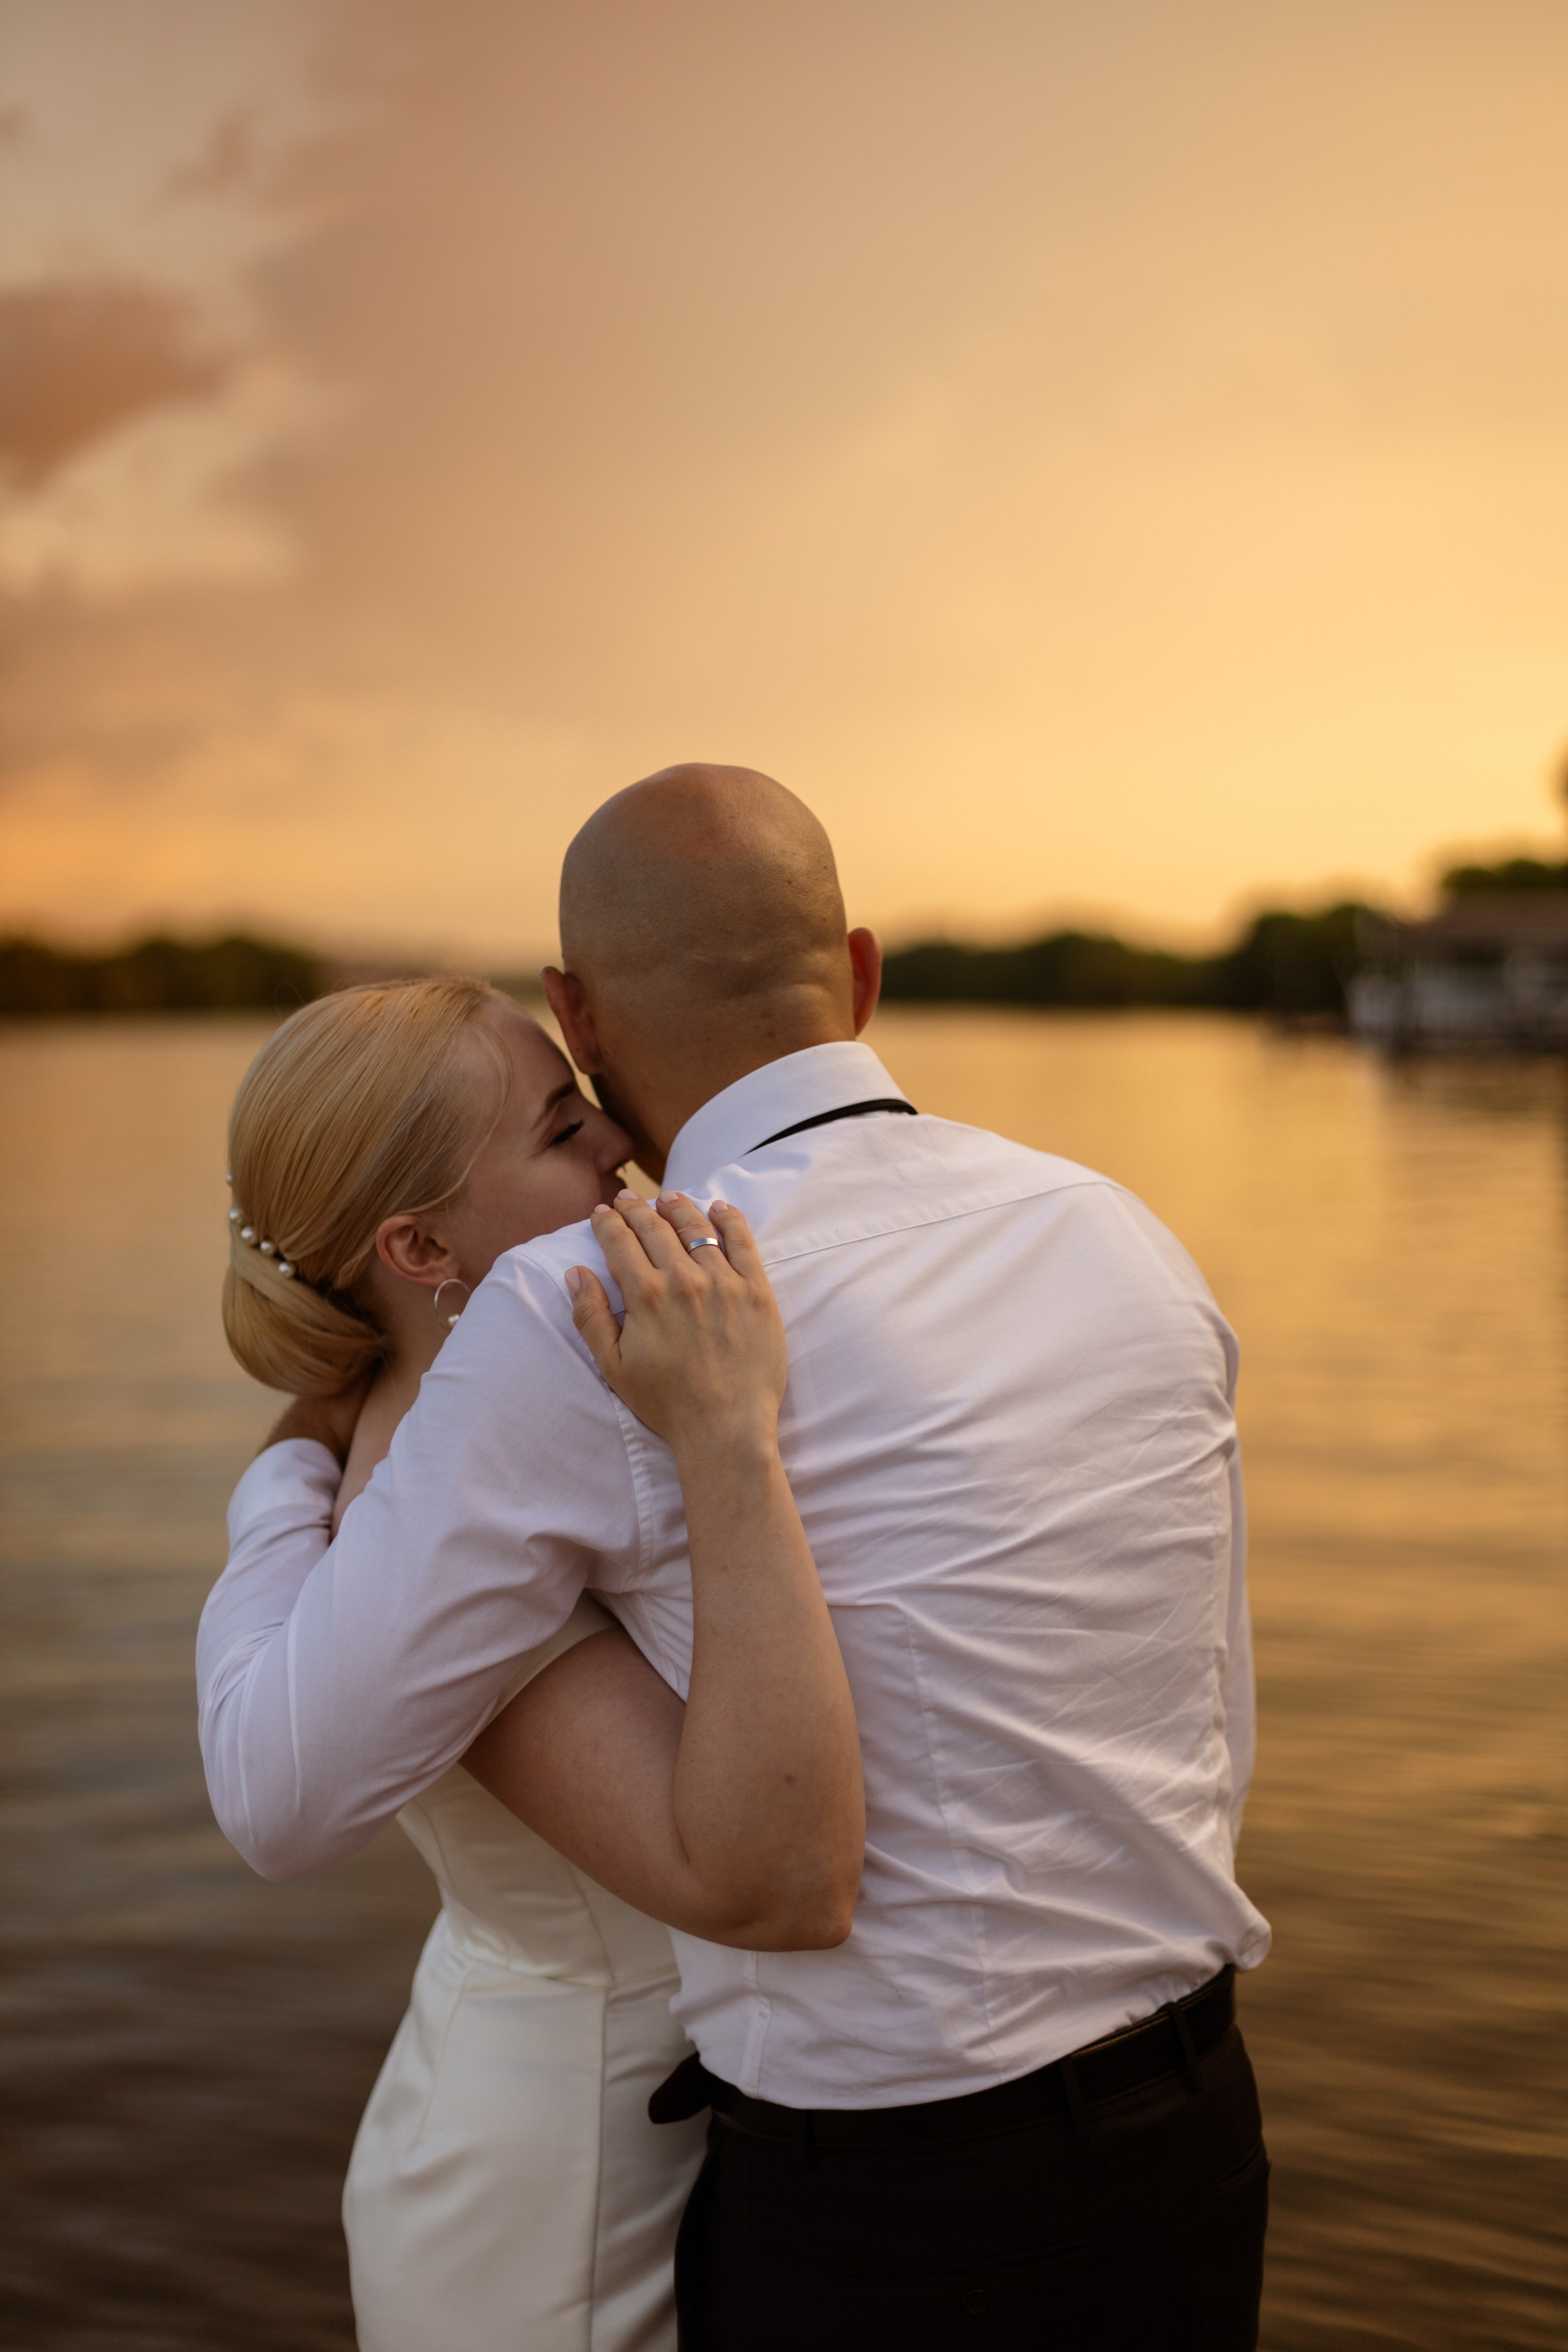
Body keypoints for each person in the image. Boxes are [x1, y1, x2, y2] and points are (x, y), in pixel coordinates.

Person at [201, 766, 1272, 2351]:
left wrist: (294, 1453)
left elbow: (282, 1793)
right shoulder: (1114, 1228)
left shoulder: (585, 1307)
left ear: (578, 1009)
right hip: (1191, 2134)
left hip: (885, 2206)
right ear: (858, 970)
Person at [198, 974, 863, 2352]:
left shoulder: (449, 1429)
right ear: (422, 1244)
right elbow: (736, 1862)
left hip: (608, 2116)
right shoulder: (434, 1508)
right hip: (561, 2181)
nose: (621, 1138)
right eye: (563, 1126)